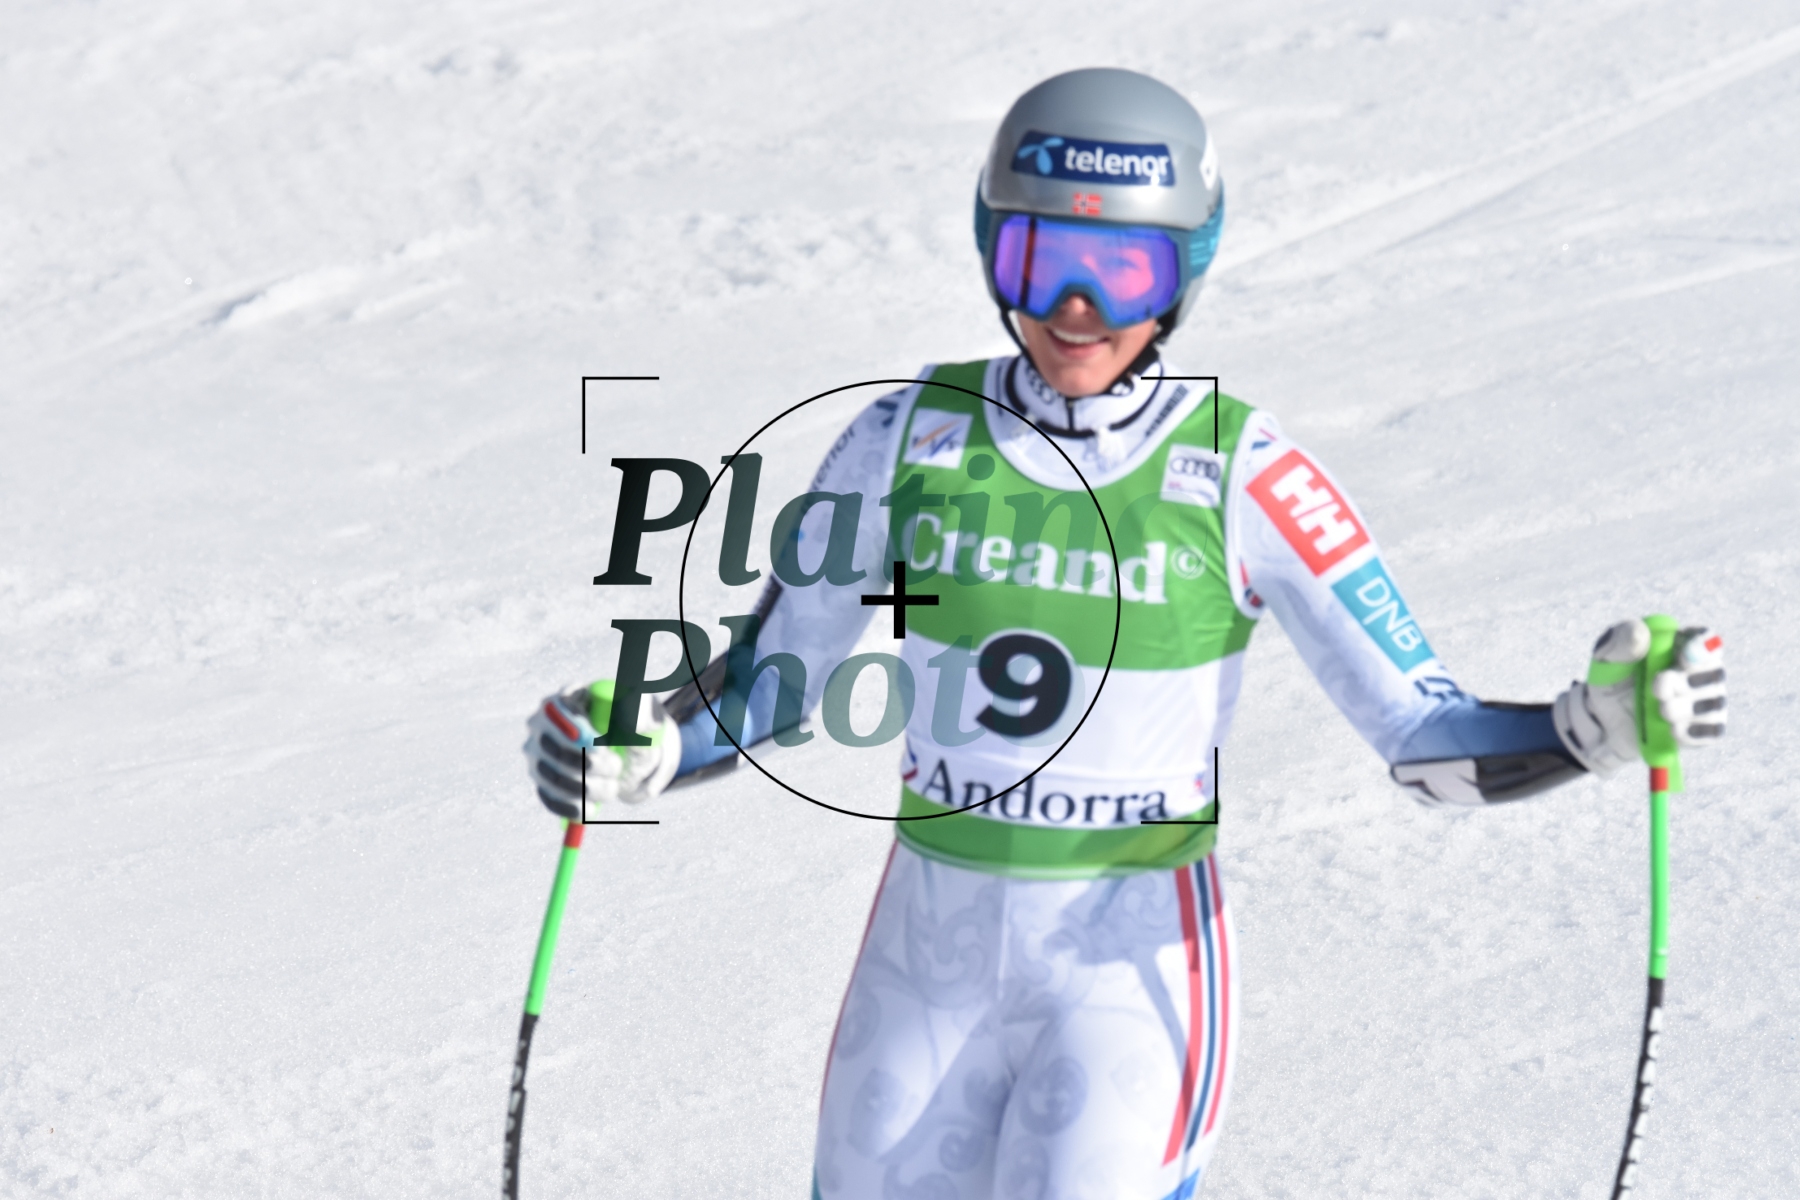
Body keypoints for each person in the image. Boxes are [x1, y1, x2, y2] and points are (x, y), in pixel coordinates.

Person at [523, 68, 1727, 1200]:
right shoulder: (907, 435)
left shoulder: (1244, 470)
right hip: (922, 976)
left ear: (1183, 273)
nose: (1077, 310)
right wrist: (646, 749)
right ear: (991, 248)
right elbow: (775, 682)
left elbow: (1423, 736)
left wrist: (1592, 731)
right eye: (1040, 259)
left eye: (1123, 272)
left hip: (1127, 982)